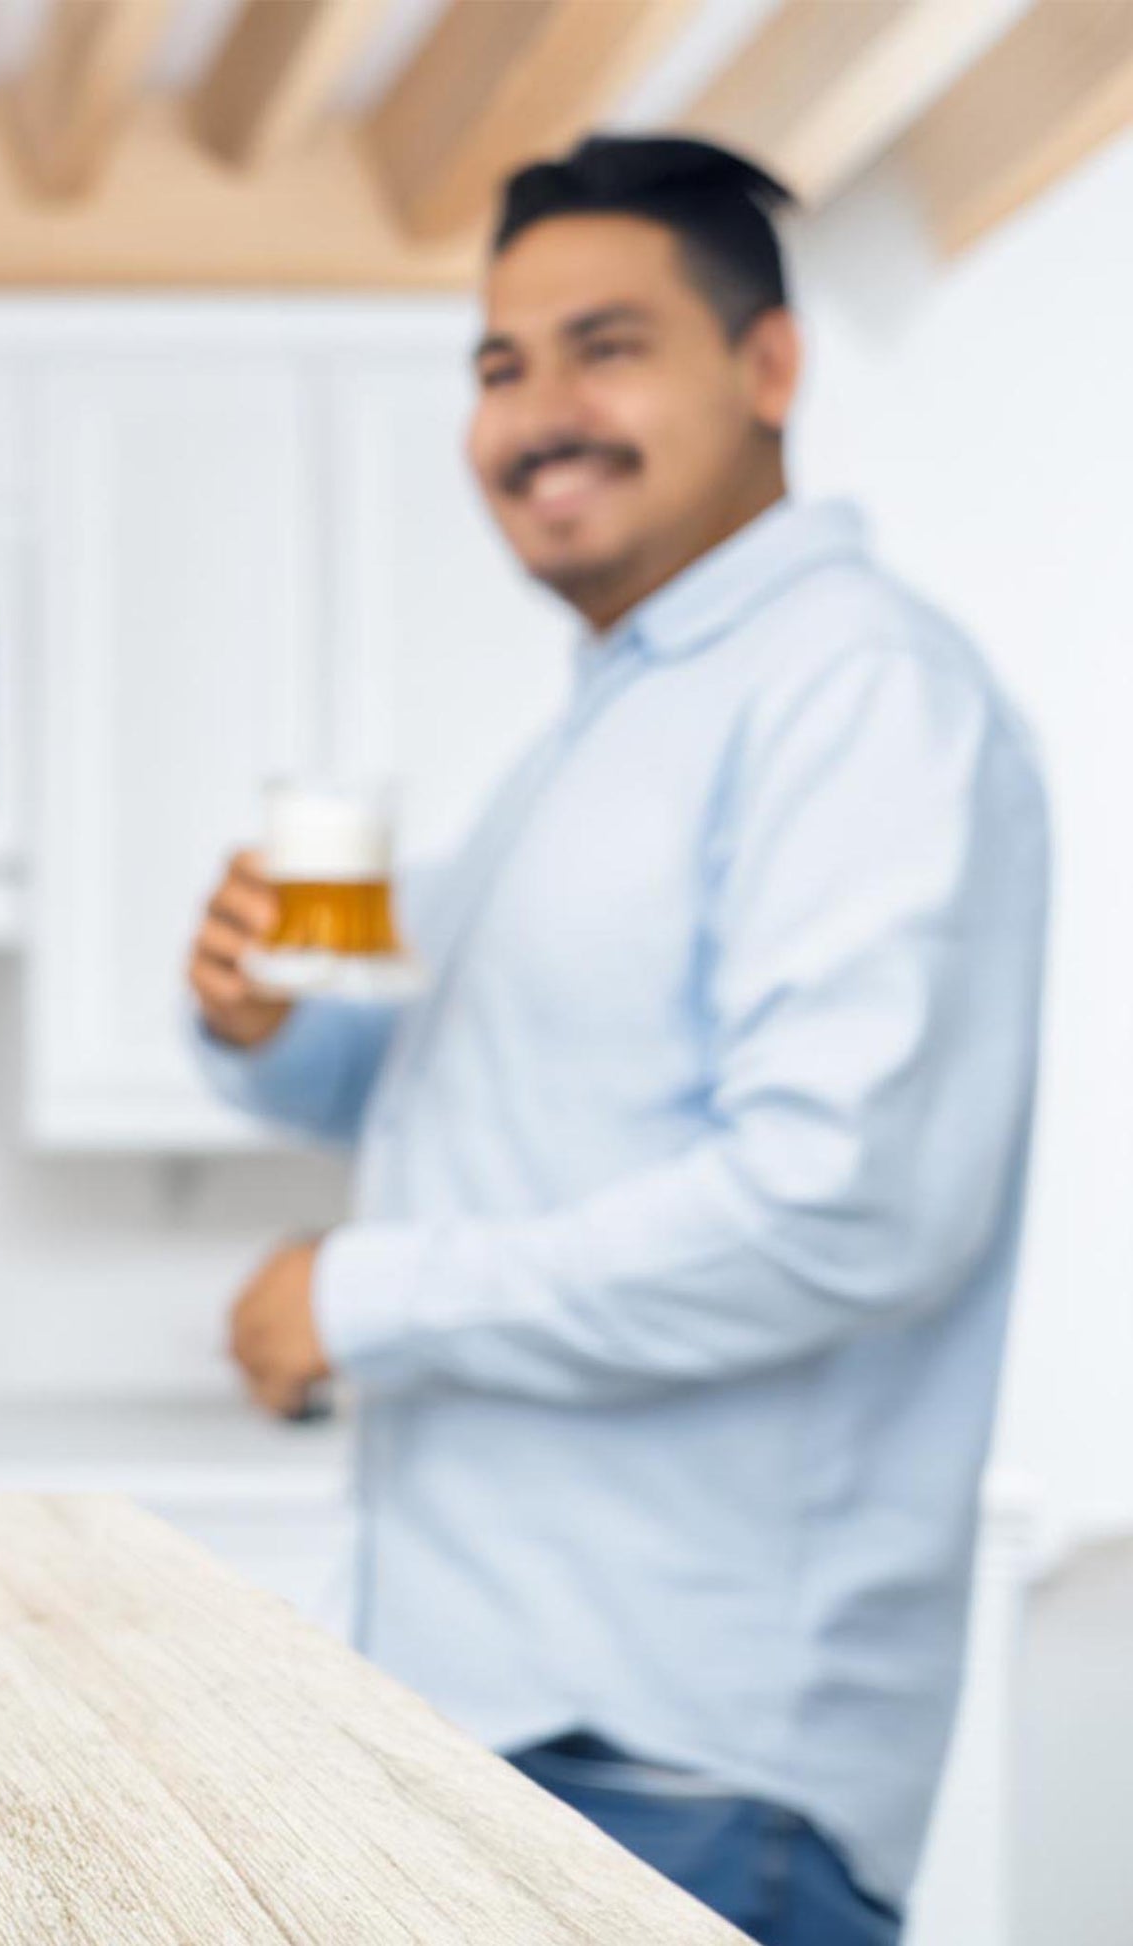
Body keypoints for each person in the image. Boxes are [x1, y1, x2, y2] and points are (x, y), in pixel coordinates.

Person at [188, 135, 1048, 1946]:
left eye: (604, 346)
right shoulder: (615, 724)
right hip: (521, 1727)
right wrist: (267, 1028)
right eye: (499, 366)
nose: (537, 413)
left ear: (770, 367)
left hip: (678, 1758)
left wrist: (359, 1296)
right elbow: (473, 1082)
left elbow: (840, 1206)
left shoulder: (851, 691)